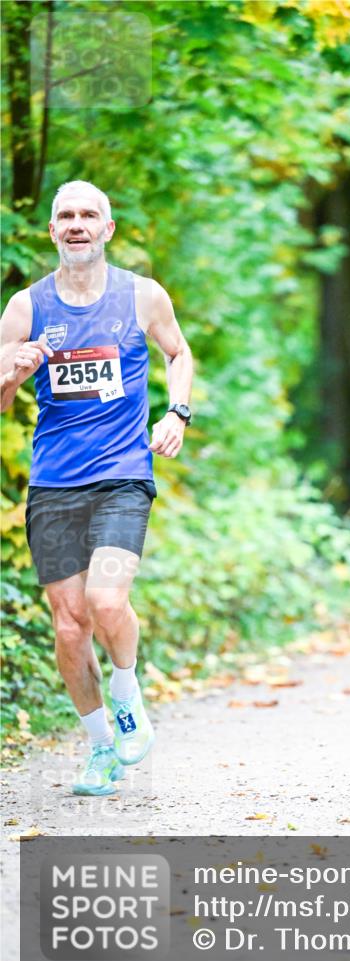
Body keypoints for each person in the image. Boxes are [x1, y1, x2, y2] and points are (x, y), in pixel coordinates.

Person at [0, 180, 193, 794]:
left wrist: (176, 413)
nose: (77, 224)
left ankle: (127, 691)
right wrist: (15, 373)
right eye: (66, 216)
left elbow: (178, 353)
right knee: (68, 624)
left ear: (108, 228)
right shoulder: (25, 308)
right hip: (54, 483)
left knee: (107, 602)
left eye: (89, 215)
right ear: (53, 230)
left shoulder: (142, 295)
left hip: (122, 476)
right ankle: (101, 748)